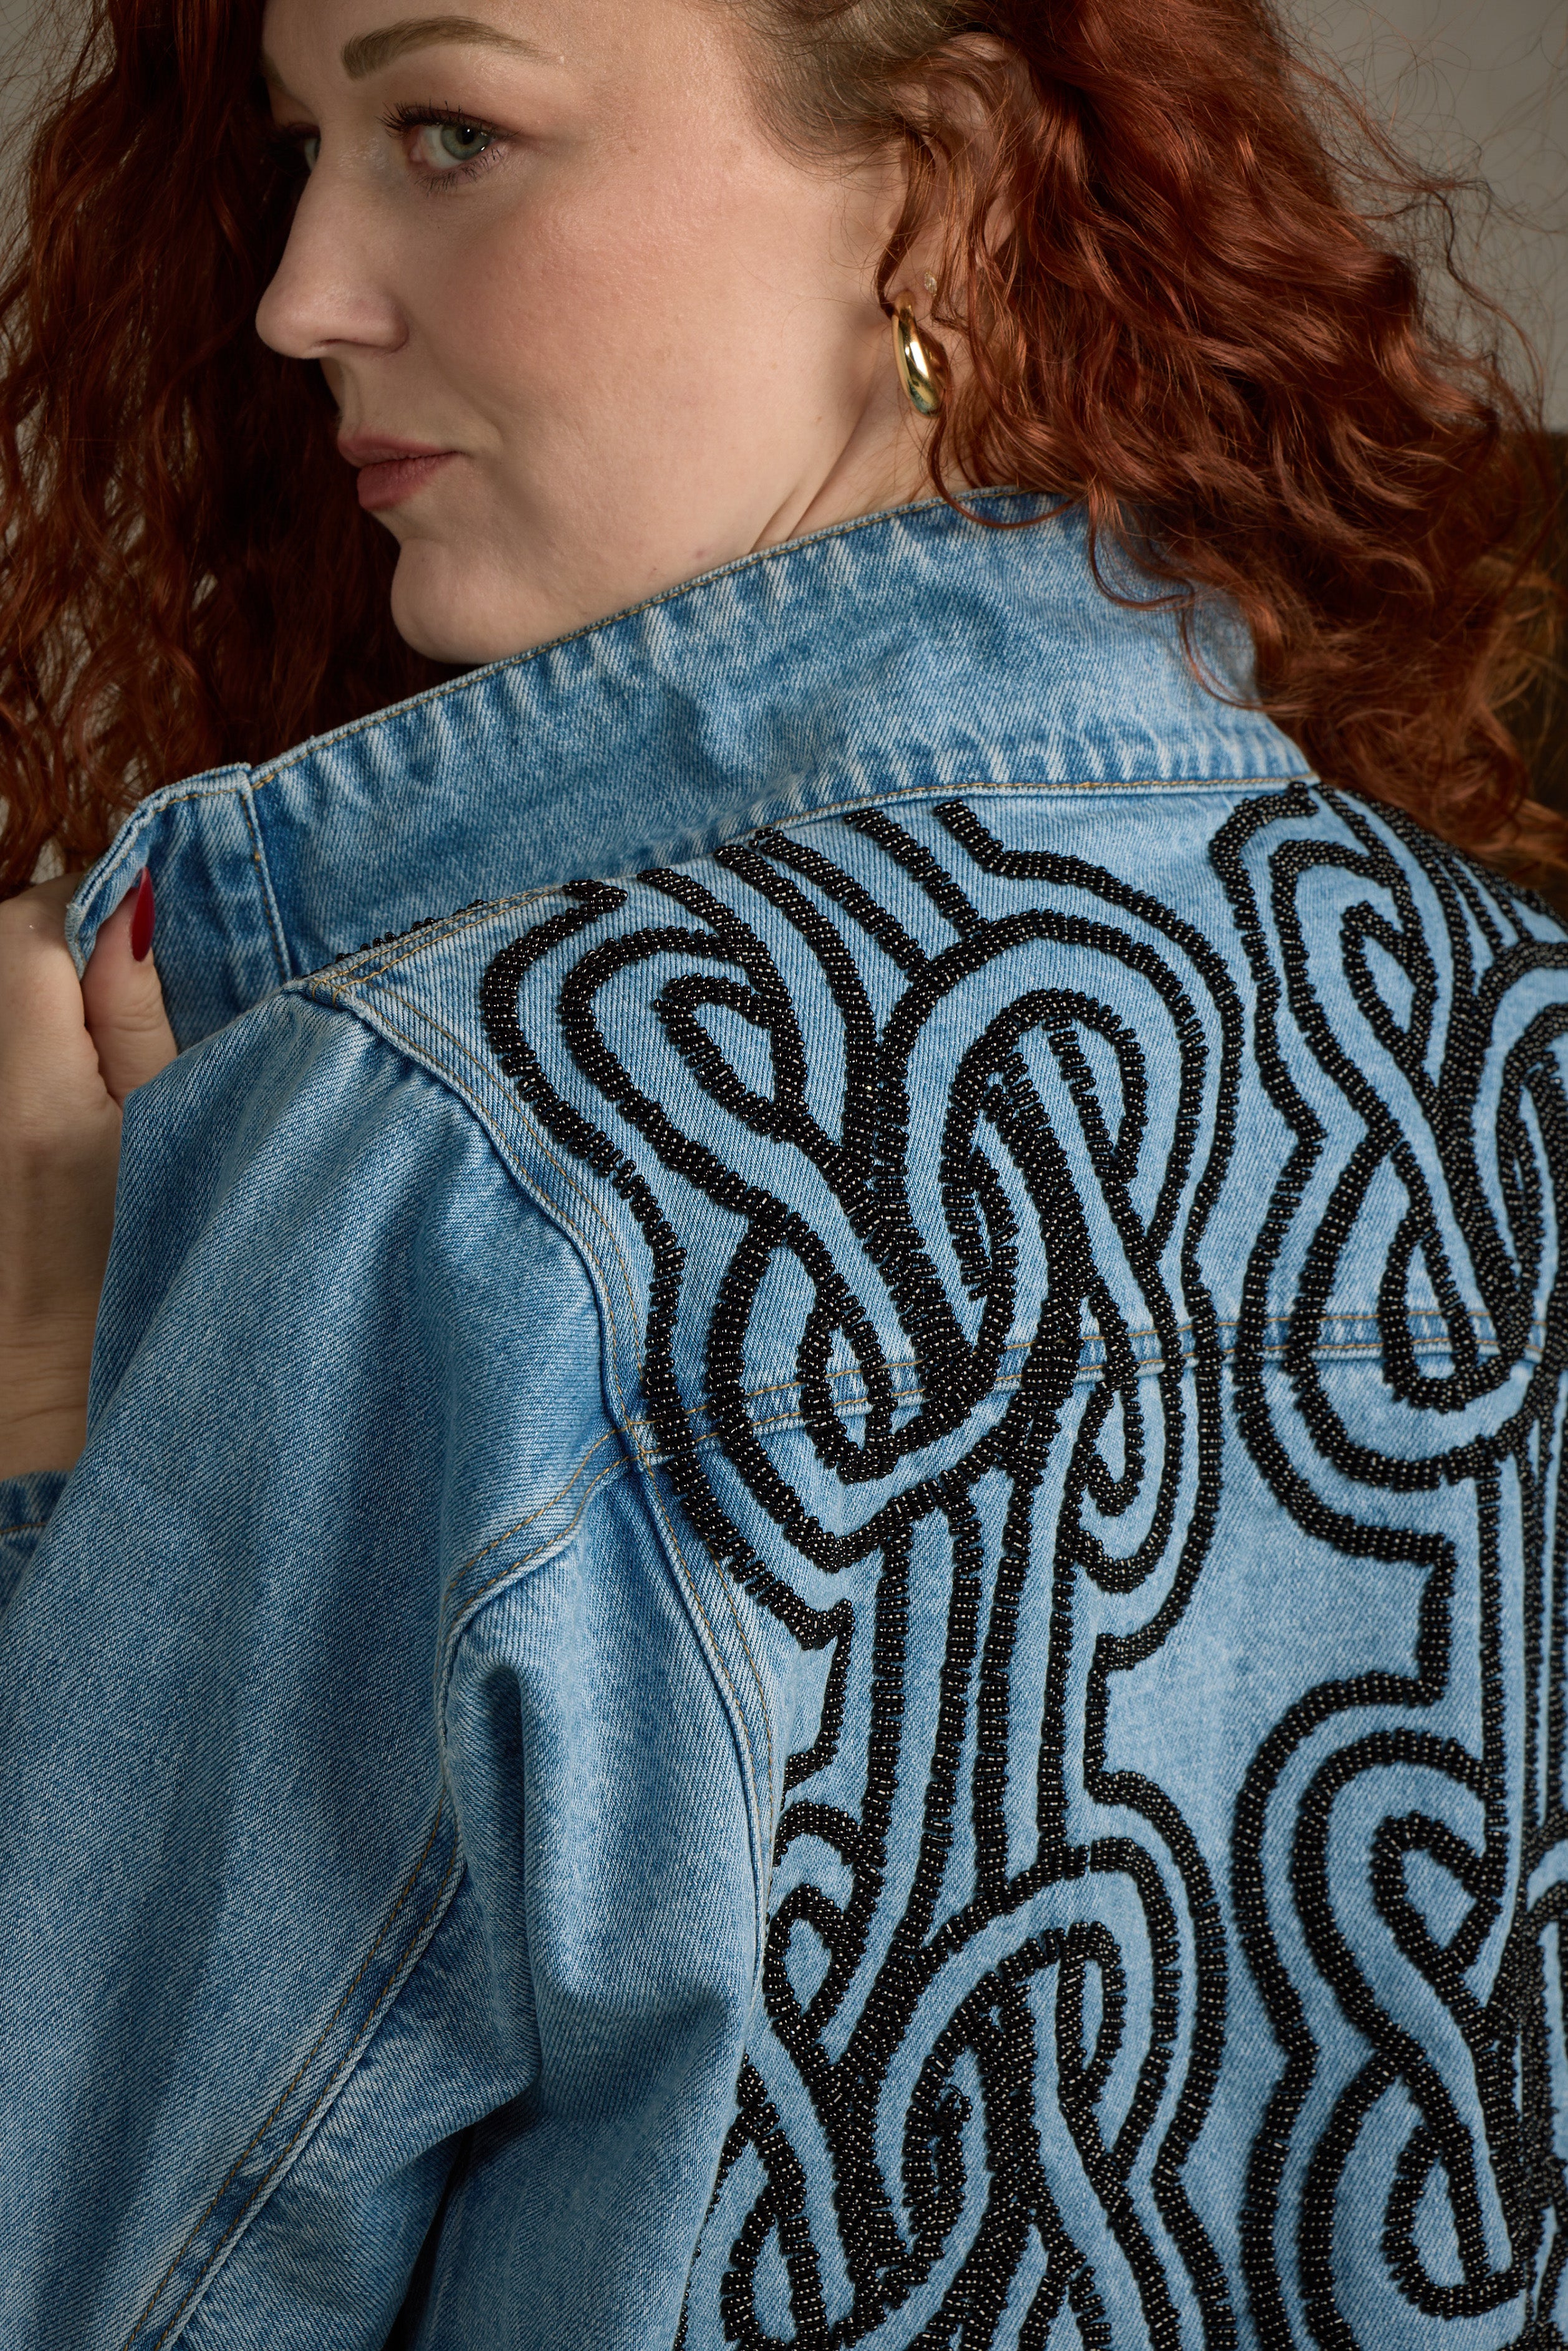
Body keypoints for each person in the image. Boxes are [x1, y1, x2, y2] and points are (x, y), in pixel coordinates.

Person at [0, 0, 1563, 2343]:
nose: (299, 293)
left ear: (938, 184)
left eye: (450, 132)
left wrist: (51, 1381)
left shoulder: (446, 1168)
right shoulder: (1521, 1036)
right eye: (304, 146)